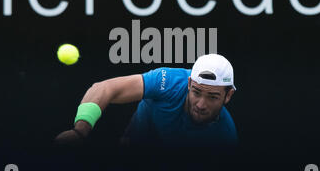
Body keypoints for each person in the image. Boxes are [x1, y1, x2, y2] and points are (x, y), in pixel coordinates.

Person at [54, 54, 238, 147]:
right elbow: (104, 88)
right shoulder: (168, 82)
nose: (201, 104)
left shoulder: (225, 136)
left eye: (213, 97)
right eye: (197, 92)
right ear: (189, 83)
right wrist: (80, 131)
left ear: (228, 96)